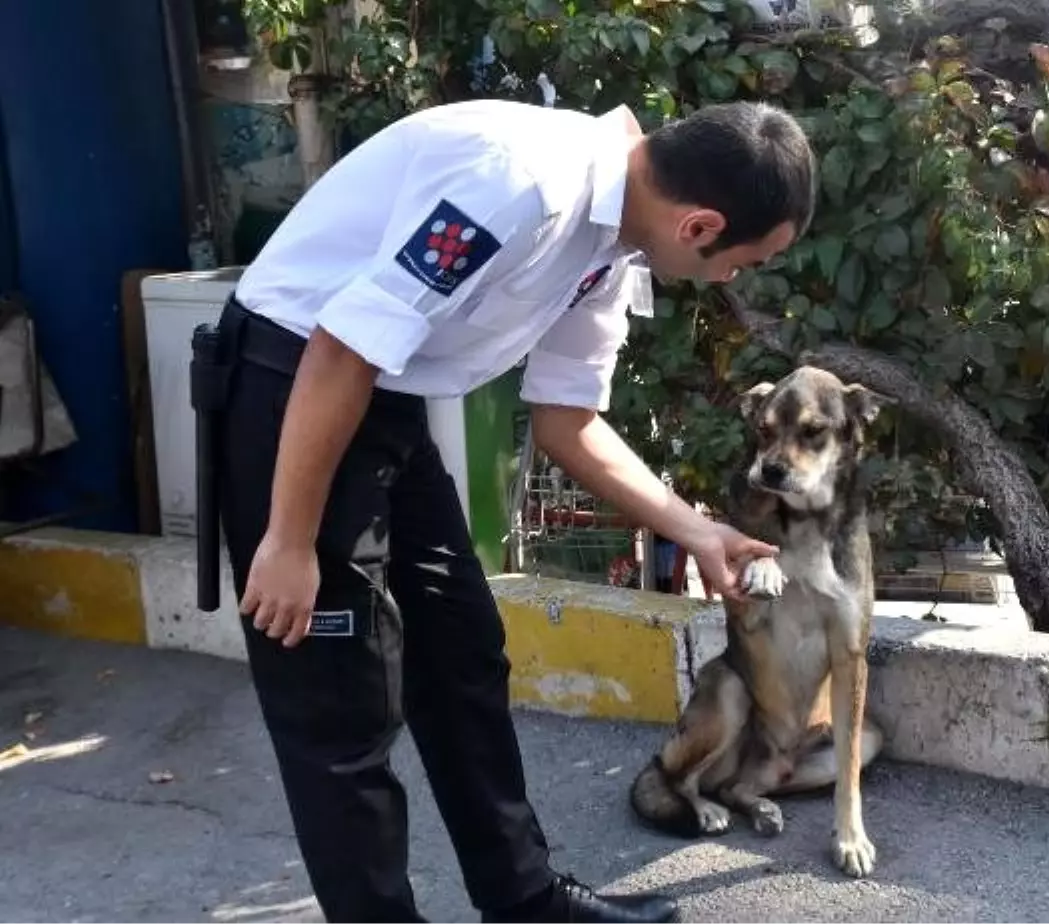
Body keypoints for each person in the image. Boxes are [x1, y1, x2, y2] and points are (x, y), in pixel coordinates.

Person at [212, 96, 817, 924]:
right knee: (339, 705)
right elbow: (341, 344)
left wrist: (699, 531)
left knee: (462, 656)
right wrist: (288, 540)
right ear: (702, 226)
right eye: (748, 260)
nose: (734, 280)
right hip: (295, 388)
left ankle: (526, 903)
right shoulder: (521, 185)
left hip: (383, 398)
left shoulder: (616, 238)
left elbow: (568, 421)